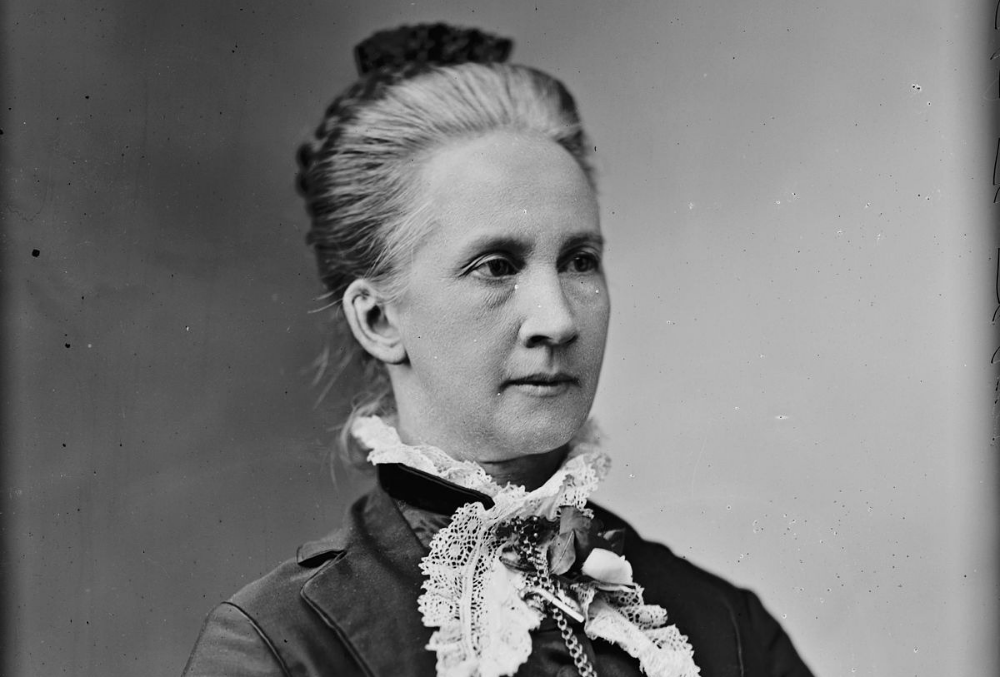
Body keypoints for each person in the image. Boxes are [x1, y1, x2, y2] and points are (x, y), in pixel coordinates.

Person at [182, 23, 815, 677]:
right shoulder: (283, 647)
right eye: (496, 265)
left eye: (579, 260)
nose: (558, 318)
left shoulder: (726, 629)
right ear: (377, 318)